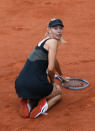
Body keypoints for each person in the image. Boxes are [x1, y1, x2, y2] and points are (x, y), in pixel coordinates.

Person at [15, 18, 69, 119]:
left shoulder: (43, 42)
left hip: (20, 84)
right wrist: (52, 82)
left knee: (37, 88)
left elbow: (54, 60)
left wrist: (61, 74)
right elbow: (51, 68)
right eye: (55, 28)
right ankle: (43, 106)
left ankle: (28, 101)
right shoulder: (53, 42)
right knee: (59, 94)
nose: (58, 31)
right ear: (48, 29)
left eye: (60, 28)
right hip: (36, 86)